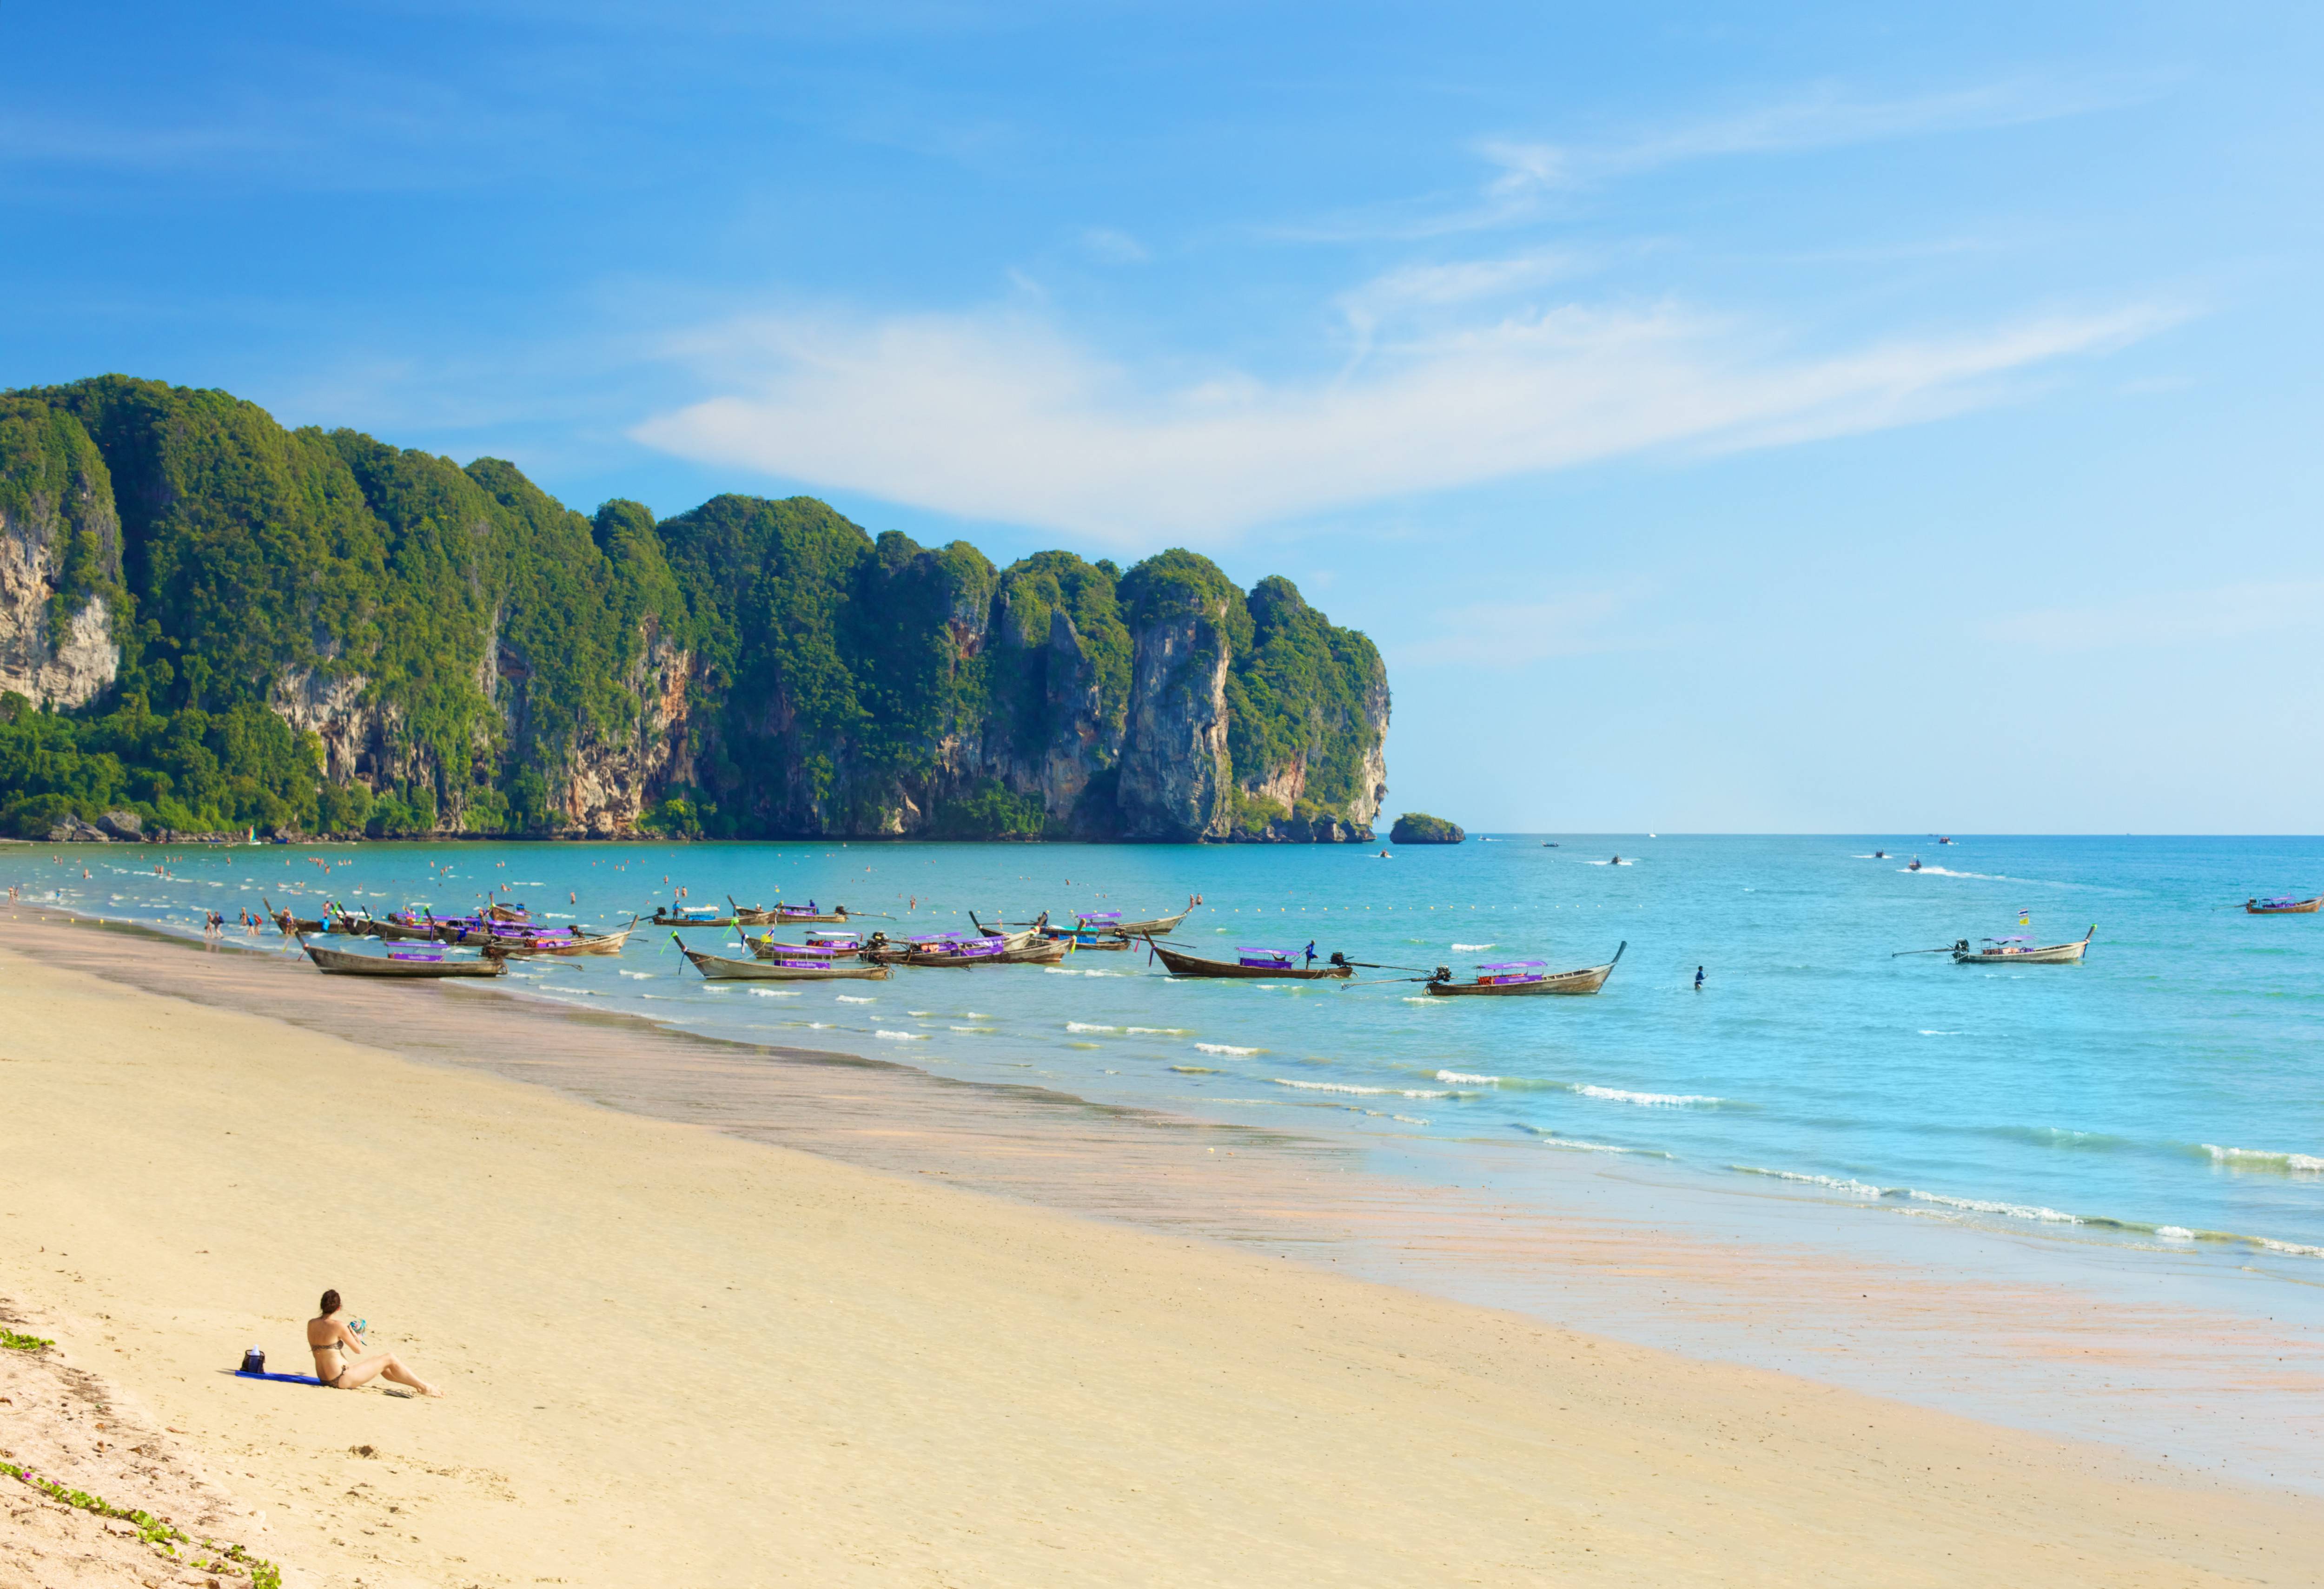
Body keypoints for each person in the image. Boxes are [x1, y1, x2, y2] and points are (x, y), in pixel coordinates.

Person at [307, 1289, 440, 1395]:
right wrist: (354, 1335)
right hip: (341, 1379)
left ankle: (418, 1385)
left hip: (324, 1378)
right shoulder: (338, 1326)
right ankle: (425, 1387)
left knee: (382, 1365)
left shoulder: (311, 1324)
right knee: (390, 1358)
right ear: (338, 1308)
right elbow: (358, 1350)